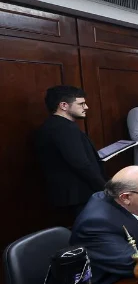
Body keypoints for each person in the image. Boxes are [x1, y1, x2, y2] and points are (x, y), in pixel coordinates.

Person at [35, 85, 107, 220]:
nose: (86, 107)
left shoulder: (55, 125)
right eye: (81, 104)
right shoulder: (62, 128)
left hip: (71, 194)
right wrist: (105, 187)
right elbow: (80, 163)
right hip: (78, 195)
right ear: (64, 105)